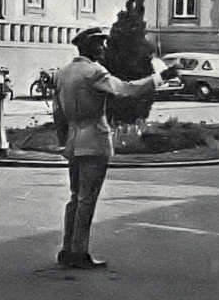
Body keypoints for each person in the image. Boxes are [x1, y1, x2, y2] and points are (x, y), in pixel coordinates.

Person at [52, 27, 173, 269]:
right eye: (99, 44)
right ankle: (80, 252)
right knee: (87, 199)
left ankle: (67, 248)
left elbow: (58, 113)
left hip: (74, 142)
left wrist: (64, 140)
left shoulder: (63, 73)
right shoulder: (95, 72)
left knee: (75, 197)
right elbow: (126, 89)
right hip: (94, 141)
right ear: (88, 47)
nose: (103, 48)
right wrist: (161, 77)